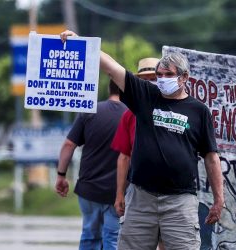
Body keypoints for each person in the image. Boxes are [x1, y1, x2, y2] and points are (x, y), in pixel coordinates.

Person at [60, 30, 224, 250]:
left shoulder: (199, 111)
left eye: (169, 74)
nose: (162, 79)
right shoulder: (146, 96)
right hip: (141, 199)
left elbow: (211, 158)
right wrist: (80, 43)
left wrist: (218, 199)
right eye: (160, 75)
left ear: (184, 77)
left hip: (180, 202)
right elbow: (111, 67)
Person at [55, 80, 127, 250]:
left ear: (109, 88)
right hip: (118, 191)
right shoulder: (132, 115)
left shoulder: (89, 111)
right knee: (113, 238)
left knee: (89, 235)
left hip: (89, 189)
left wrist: (61, 175)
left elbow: (68, 145)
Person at [111, 57, 159, 217]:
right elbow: (124, 157)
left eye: (153, 79)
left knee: (167, 240)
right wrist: (119, 193)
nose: (149, 84)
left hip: (174, 191)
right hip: (141, 188)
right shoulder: (130, 115)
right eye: (145, 80)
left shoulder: (178, 109)